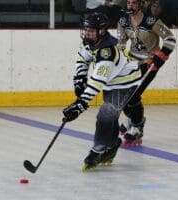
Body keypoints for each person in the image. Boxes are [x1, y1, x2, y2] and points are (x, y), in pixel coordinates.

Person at [62, 13, 144, 171]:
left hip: (126, 83)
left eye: (91, 30)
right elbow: (83, 57)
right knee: (111, 113)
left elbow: (97, 82)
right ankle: (111, 147)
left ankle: (99, 149)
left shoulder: (107, 51)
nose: (87, 33)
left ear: (102, 31)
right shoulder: (90, 41)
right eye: (86, 29)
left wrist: (80, 104)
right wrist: (79, 78)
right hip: (111, 82)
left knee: (106, 112)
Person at [117, 0, 176, 146]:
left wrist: (161, 56)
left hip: (149, 63)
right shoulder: (123, 21)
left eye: (134, 3)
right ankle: (131, 117)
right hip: (131, 62)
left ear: (140, 5)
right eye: (128, 3)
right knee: (121, 93)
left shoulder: (151, 21)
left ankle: (137, 126)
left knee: (134, 95)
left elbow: (170, 39)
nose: (130, 5)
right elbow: (121, 43)